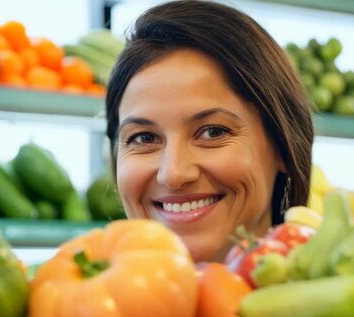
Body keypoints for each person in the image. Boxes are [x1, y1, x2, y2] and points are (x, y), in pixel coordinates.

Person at [105, 0, 314, 262]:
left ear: (283, 146)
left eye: (213, 132)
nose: (173, 174)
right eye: (144, 138)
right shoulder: (64, 297)